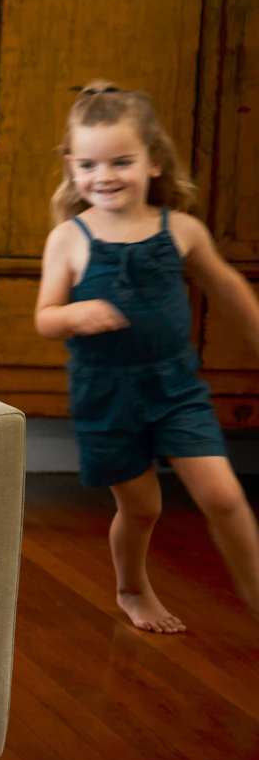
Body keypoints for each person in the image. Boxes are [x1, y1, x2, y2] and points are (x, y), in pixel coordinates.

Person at [34, 80, 259, 634]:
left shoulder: (180, 230)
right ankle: (132, 588)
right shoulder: (69, 238)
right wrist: (74, 316)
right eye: (88, 164)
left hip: (175, 389)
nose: (103, 176)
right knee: (142, 510)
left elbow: (229, 289)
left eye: (121, 161)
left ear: (154, 161)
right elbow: (45, 317)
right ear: (70, 165)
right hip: (107, 395)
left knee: (225, 498)